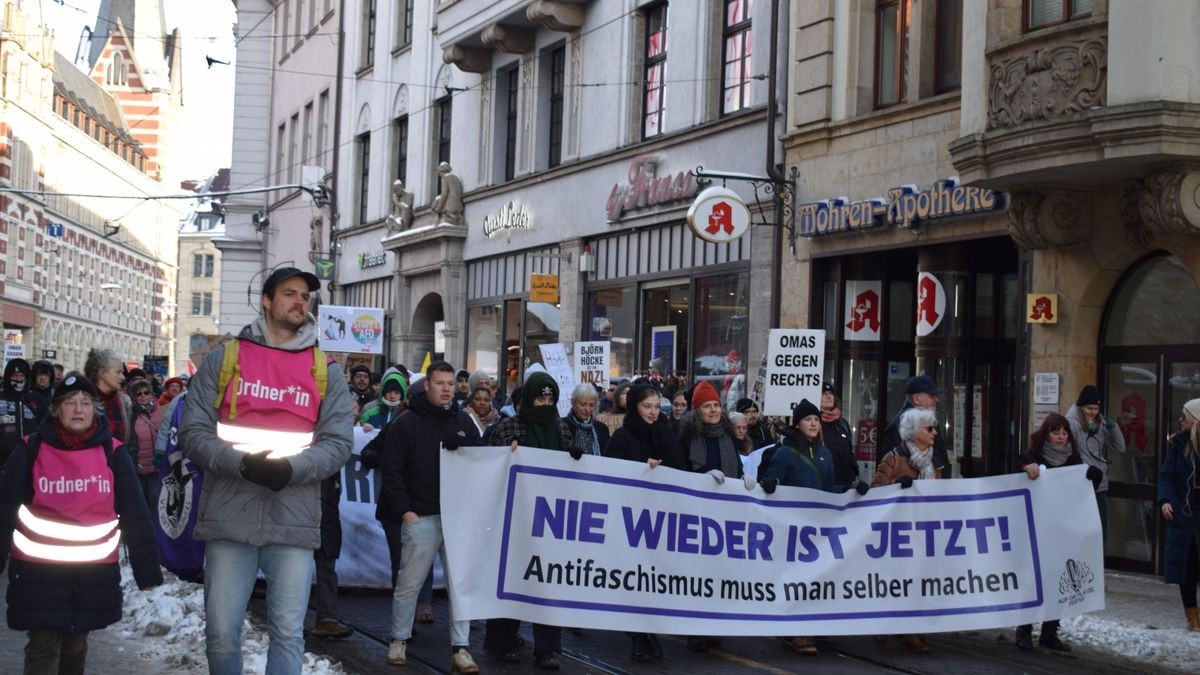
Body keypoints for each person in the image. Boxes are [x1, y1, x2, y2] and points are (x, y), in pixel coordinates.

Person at [180, 266, 354, 675]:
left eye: (305, 296)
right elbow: (193, 432)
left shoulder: (324, 369)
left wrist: (291, 469)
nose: (299, 302)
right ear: (266, 301)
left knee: (289, 633)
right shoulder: (227, 358)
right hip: (229, 514)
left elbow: (338, 443)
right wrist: (239, 463)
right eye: (290, 293)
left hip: (293, 516)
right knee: (221, 633)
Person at [0, 374, 162, 673]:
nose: (78, 410)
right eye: (70, 403)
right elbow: (4, 510)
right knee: (43, 643)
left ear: (94, 410)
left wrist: (147, 569)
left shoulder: (113, 453)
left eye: (85, 403)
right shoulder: (30, 450)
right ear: (56, 409)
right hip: (39, 575)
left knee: (76, 645)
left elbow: (135, 513)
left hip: (92, 574)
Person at [377, 361, 482, 673]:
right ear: (428, 385)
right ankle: (398, 639)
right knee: (409, 583)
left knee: (459, 585)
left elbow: (480, 461)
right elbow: (391, 469)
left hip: (456, 517)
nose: (447, 388)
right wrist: (405, 511)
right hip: (420, 515)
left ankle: (461, 648)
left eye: (451, 383)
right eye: (440, 383)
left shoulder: (463, 421)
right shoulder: (407, 423)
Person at [485, 372, 582, 669]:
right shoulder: (508, 427)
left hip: (552, 522)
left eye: (550, 398)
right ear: (529, 399)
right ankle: (502, 641)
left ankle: (547, 649)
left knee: (548, 583)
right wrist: (505, 455)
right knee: (512, 579)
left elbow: (576, 477)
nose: (545, 403)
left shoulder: (563, 430)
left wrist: (577, 458)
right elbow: (486, 465)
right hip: (515, 519)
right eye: (540, 398)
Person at [760, 398, 856, 656]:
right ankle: (795, 631)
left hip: (816, 526)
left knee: (814, 575)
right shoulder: (785, 452)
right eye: (808, 420)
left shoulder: (825, 454)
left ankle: (809, 623)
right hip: (791, 526)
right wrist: (771, 482)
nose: (813, 424)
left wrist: (850, 490)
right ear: (798, 424)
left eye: (816, 419)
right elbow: (771, 482)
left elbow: (828, 488)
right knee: (794, 576)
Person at [603, 382, 680, 663]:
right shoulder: (622, 438)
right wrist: (639, 469)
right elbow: (610, 476)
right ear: (634, 406)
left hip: (659, 520)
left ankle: (650, 630)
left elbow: (680, 466)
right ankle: (636, 635)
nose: (652, 412)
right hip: (630, 521)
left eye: (657, 407)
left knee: (652, 579)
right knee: (633, 580)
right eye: (647, 406)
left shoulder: (664, 433)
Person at [675, 380, 751, 653]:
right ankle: (695, 630)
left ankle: (715, 626)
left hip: (724, 517)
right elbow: (678, 473)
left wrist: (744, 479)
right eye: (707, 406)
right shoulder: (686, 437)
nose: (713, 410)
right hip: (696, 515)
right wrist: (701, 479)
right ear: (697, 410)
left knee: (720, 575)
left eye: (716, 405)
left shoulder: (728, 436)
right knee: (697, 576)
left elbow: (736, 469)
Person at [1014, 413, 1095, 651]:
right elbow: (1017, 467)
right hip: (1037, 529)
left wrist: (1091, 476)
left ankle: (1050, 631)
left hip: (1063, 530)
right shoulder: (1034, 456)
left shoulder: (1074, 460)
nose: (1061, 438)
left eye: (1064, 433)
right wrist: (1026, 468)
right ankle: (1024, 629)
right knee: (1035, 580)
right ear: (1045, 434)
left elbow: (1085, 485)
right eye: (1055, 432)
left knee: (1060, 580)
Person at [871, 406, 945, 653]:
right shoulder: (893, 458)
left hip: (924, 529)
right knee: (896, 580)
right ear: (914, 433)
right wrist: (896, 485)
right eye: (930, 428)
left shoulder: (933, 462)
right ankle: (884, 623)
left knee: (918, 580)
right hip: (898, 531)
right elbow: (875, 491)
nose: (935, 433)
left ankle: (910, 630)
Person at [1158, 398, 1200, 632]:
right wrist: (1165, 501)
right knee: (1187, 567)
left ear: (1195, 419)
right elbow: (1167, 476)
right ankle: (1192, 616)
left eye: (1185, 416)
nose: (1180, 420)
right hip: (1184, 514)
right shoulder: (1179, 444)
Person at [1067, 385, 1127, 538]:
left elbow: (1120, 448)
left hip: (1099, 486)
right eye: (1089, 408)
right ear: (1081, 407)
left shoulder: (1098, 424)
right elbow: (1067, 453)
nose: (1093, 412)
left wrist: (1112, 426)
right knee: (1084, 533)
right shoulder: (1071, 423)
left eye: (1096, 408)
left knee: (1101, 533)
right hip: (1082, 485)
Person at [880, 375, 951, 474]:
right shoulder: (897, 428)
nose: (936, 400)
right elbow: (888, 472)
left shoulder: (928, 422)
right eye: (931, 396)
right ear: (916, 398)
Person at [84, 348, 132, 447]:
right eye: (118, 372)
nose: (123, 377)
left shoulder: (125, 401)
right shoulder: (83, 401)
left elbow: (131, 440)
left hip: (119, 458)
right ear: (102, 373)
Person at [128, 378, 162, 513]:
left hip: (156, 464)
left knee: (155, 498)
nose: (143, 396)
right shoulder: (130, 413)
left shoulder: (159, 411)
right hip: (139, 465)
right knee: (141, 499)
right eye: (139, 393)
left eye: (146, 392)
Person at [0, 358, 39, 473]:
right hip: (3, 465)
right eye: (15, 376)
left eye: (22, 376)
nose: (18, 379)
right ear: (8, 377)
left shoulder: (36, 399)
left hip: (31, 462)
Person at [819, 383, 859, 489]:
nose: (828, 396)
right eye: (824, 393)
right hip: (824, 485)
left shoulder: (843, 424)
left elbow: (849, 452)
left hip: (845, 483)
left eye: (830, 393)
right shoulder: (813, 423)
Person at [563, 383, 609, 457]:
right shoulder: (563, 426)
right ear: (573, 402)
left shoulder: (602, 429)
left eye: (591, 405)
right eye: (583, 404)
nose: (587, 409)